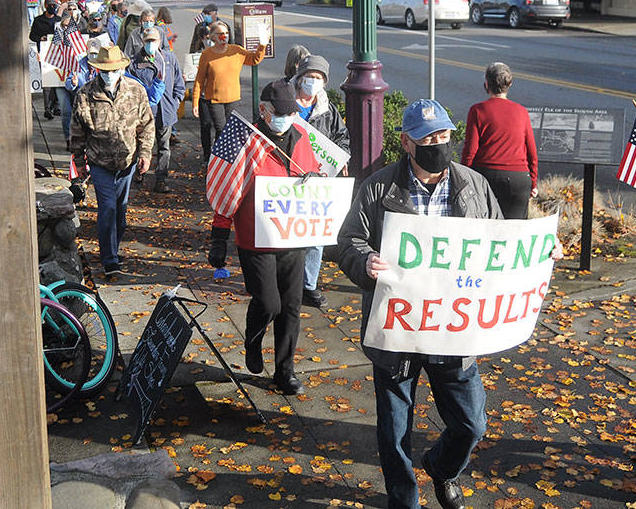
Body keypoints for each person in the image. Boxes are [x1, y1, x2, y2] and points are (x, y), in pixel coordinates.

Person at [337, 98, 561, 509]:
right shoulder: (379, 187)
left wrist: (540, 252)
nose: (437, 144)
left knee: (472, 424)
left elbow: (500, 246)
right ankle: (404, 501)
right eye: (427, 139)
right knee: (394, 432)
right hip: (398, 332)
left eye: (443, 136)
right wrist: (364, 261)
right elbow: (348, 240)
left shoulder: (474, 185)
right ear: (407, 142)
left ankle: (442, 468)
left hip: (454, 331)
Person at [206, 79, 321, 395]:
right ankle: (253, 340)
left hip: (293, 236)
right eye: (279, 113)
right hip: (255, 238)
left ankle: (285, 371)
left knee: (291, 306)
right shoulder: (245, 141)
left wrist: (316, 179)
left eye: (291, 113)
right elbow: (228, 190)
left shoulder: (302, 139)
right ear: (263, 110)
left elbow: (315, 174)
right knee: (269, 303)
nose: (286, 118)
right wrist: (219, 237)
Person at [69, 45, 154, 278]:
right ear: (98, 70)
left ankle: (113, 248)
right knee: (107, 208)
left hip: (127, 161)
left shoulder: (136, 90)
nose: (109, 75)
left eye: (114, 70)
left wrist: (145, 153)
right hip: (100, 162)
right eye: (105, 71)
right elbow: (77, 131)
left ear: (121, 69)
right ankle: (110, 259)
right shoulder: (85, 94)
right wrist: (79, 162)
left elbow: (146, 125)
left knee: (120, 213)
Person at [291, 54, 349, 309]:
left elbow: (341, 137)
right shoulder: (285, 102)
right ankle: (287, 281)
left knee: (315, 235)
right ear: (299, 77)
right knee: (289, 232)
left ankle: (308, 285)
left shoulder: (328, 110)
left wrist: (341, 157)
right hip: (289, 178)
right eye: (309, 76)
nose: (312, 81)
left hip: (318, 179)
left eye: (318, 78)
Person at [460, 62, 539, 219]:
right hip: (518, 178)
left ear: (486, 84)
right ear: (509, 84)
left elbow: (470, 150)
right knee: (515, 227)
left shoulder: (477, 110)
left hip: (485, 175)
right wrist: (533, 182)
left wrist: (463, 178)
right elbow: (531, 152)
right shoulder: (522, 112)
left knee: (484, 224)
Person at [191, 20, 266, 160]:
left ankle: (223, 159)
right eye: (220, 33)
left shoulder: (236, 50)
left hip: (233, 99)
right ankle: (217, 159)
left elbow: (254, 59)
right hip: (214, 100)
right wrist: (195, 102)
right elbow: (199, 80)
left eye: (226, 33)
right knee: (221, 129)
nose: (224, 36)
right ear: (213, 36)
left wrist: (262, 44)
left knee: (229, 130)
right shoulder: (207, 54)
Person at [126, 26, 185, 193]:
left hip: (166, 112)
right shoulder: (134, 62)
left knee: (164, 147)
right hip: (145, 115)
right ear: (143, 42)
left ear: (160, 41)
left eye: (154, 40)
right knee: (141, 146)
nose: (151, 44)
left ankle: (161, 179)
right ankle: (140, 173)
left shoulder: (169, 58)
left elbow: (179, 83)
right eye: (148, 41)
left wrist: (176, 102)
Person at [52, 0, 88, 142]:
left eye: (69, 26)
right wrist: (41, 57)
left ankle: (78, 136)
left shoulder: (78, 40)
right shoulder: (56, 37)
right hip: (59, 80)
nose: (67, 29)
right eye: (64, 26)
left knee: (78, 110)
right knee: (66, 110)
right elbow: (50, 55)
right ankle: (68, 138)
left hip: (76, 80)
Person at [29, 0, 61, 119]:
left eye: (54, 5)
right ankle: (47, 109)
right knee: (47, 82)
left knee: (57, 81)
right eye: (50, 5)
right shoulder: (38, 20)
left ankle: (56, 106)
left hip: (57, 54)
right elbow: (32, 36)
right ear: (46, 6)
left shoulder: (58, 20)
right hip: (44, 54)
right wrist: (40, 38)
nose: (53, 7)